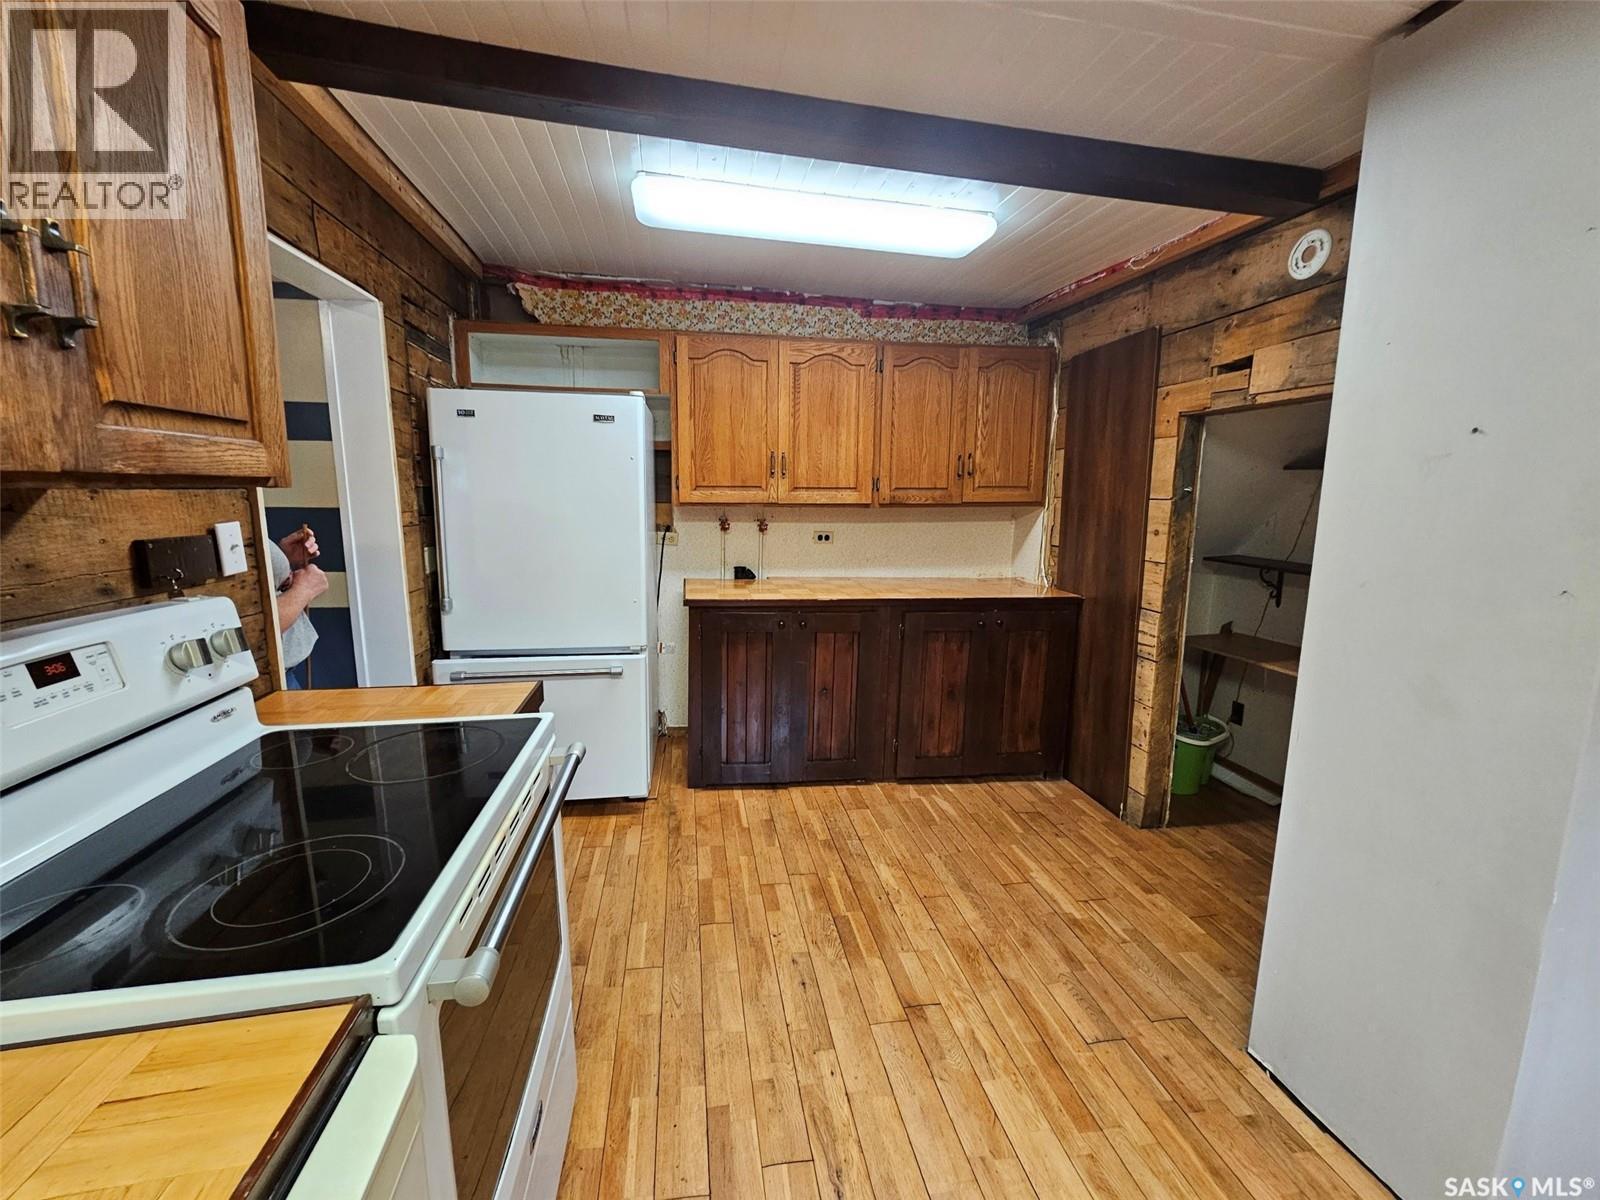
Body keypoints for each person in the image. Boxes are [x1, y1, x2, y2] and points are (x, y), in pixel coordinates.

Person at [269, 527, 327, 689]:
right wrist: (305, 589)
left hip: (285, 674)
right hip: (268, 682)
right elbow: (253, 629)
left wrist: (283, 560)